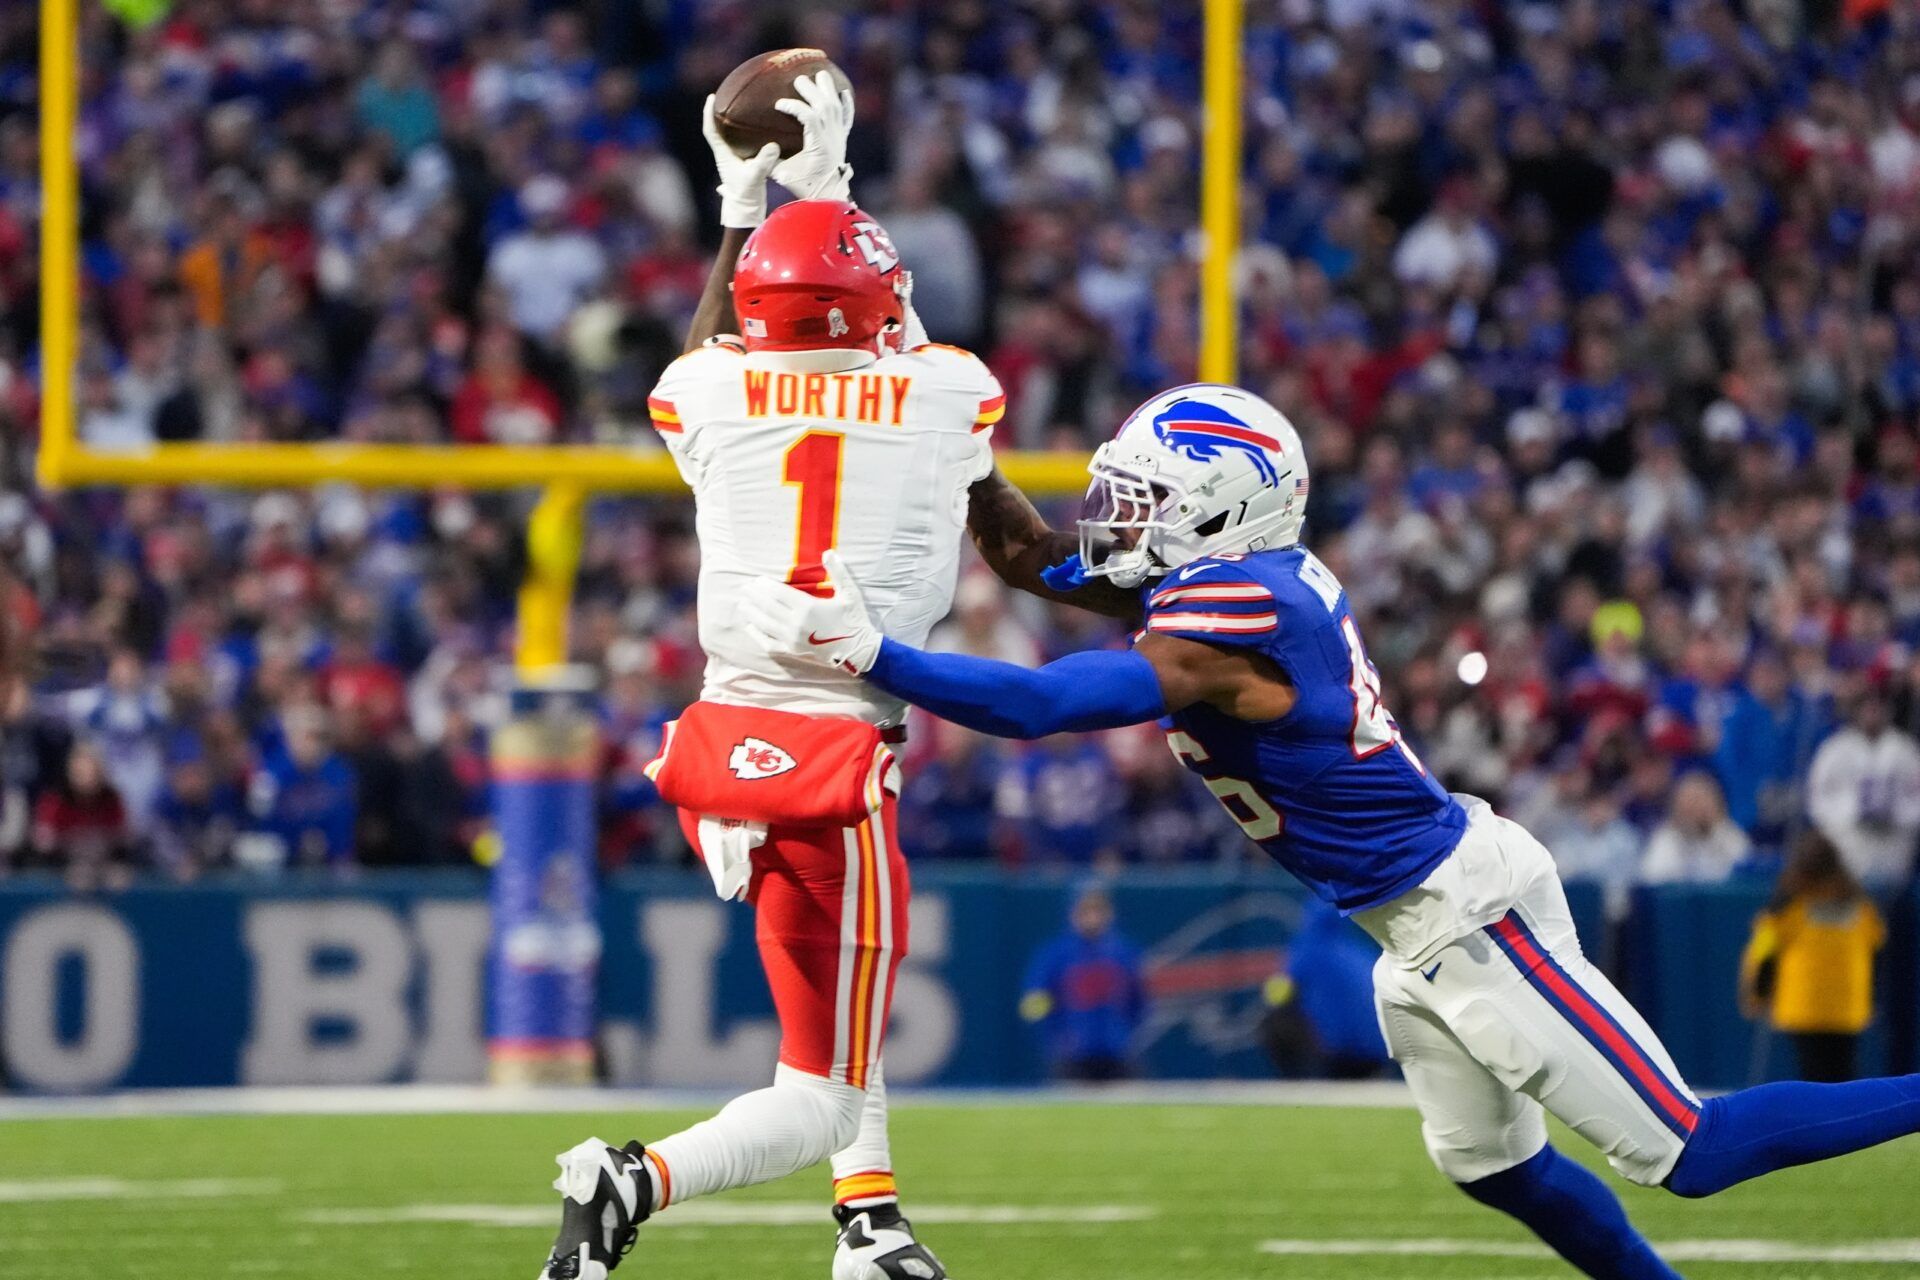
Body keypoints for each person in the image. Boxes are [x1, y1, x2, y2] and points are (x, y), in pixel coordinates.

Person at [743, 381, 1920, 1280]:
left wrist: (873, 654)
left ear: (1220, 510)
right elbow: (1026, 552)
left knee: (1689, 1151)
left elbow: (1050, 703)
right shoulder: (1219, 577)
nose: (1115, 520)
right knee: (1498, 1168)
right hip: (1414, 918)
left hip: (1467, 910)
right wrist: (965, 457)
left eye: (1143, 501)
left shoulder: (1236, 610)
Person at [537, 71, 1133, 1280]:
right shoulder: (939, 386)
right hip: (835, 766)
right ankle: (630, 1181)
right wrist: (1151, 599)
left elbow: (720, 345)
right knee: (818, 1085)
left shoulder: (707, 383)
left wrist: (742, 205)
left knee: (831, 1032)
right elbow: (1015, 544)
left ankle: (872, 1223)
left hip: (720, 753)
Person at [1741, 833, 1886, 1084]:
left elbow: (1764, 954)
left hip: (1804, 1009)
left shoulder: (1786, 907)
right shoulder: (1860, 906)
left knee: (1813, 1077)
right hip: (1847, 1009)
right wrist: (1872, 998)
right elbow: (1876, 948)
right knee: (1844, 1077)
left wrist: (1757, 995)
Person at [1019, 885, 1147, 1081]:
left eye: (1098, 910)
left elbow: (1139, 1000)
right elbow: (1036, 1000)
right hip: (1073, 1055)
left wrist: (1125, 1032)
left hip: (1117, 1051)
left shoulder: (1124, 952)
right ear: (1073, 913)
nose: (1092, 917)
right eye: (1085, 911)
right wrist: (1057, 1036)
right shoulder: (1055, 955)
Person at [1807, 688, 1920, 891]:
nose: (1873, 713)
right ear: (1856, 711)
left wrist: (1894, 813)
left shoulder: (1905, 749)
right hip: (1850, 840)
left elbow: (1915, 799)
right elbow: (1818, 800)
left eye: (1878, 708)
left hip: (1893, 841)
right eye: (1867, 708)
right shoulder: (1835, 748)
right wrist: (1853, 810)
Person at [1638, 772, 1751, 885]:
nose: (1696, 806)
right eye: (1690, 800)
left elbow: (1746, 876)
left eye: (1702, 799)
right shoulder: (1665, 839)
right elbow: (1652, 879)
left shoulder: (1731, 835)